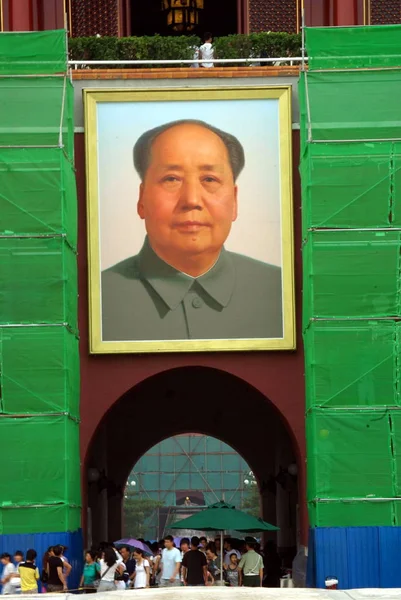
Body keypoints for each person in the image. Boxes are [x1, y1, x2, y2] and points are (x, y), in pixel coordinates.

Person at [101, 119, 283, 342]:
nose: (191, 200)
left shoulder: (281, 291)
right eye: (171, 179)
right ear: (141, 199)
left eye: (209, 179)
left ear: (234, 201)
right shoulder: (99, 298)